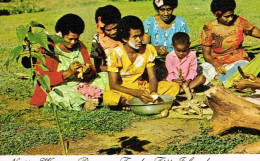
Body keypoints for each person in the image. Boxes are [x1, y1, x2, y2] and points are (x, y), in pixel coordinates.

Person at [103, 15, 180, 107]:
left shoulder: (148, 49)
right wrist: (136, 93)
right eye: (135, 37)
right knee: (109, 97)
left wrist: (153, 92)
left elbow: (152, 78)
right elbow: (113, 85)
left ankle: (135, 103)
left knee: (174, 87)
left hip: (142, 86)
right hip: (123, 88)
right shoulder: (115, 53)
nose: (139, 40)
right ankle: (137, 101)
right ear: (125, 38)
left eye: (140, 36)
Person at [30, 14, 100, 111]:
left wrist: (88, 71)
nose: (73, 42)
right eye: (69, 39)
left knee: (104, 76)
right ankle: (82, 103)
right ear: (60, 35)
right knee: (59, 94)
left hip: (80, 84)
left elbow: (91, 69)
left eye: (76, 39)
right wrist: (67, 73)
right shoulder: (48, 49)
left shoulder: (80, 46)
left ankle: (88, 97)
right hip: (58, 87)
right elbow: (43, 78)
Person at [200, 0, 260, 85]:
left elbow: (255, 32)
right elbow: (206, 54)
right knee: (202, 69)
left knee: (242, 68)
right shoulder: (209, 28)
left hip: (239, 61)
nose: (231, 18)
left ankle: (222, 81)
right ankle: (226, 81)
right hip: (219, 63)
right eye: (226, 16)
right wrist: (216, 64)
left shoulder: (239, 22)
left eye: (232, 15)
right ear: (217, 14)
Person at [143, 0, 189, 80]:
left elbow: (185, 45)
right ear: (157, 9)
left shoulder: (180, 22)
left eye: (169, 9)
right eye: (162, 10)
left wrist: (171, 54)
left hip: (178, 60)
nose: (166, 13)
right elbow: (144, 47)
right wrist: (155, 48)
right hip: (157, 61)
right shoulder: (149, 22)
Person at [166, 32, 206, 99]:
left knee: (202, 78)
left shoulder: (192, 55)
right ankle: (184, 90)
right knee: (164, 83)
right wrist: (175, 80)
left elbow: (192, 71)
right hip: (174, 82)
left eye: (184, 50)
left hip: (188, 82)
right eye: (178, 50)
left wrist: (188, 81)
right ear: (173, 46)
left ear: (189, 45)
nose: (181, 53)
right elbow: (170, 73)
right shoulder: (169, 56)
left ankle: (181, 91)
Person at [90, 5, 121, 73]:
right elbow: (98, 66)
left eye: (115, 28)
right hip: (110, 72)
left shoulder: (126, 33)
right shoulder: (98, 39)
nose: (113, 32)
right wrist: (116, 71)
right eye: (108, 30)